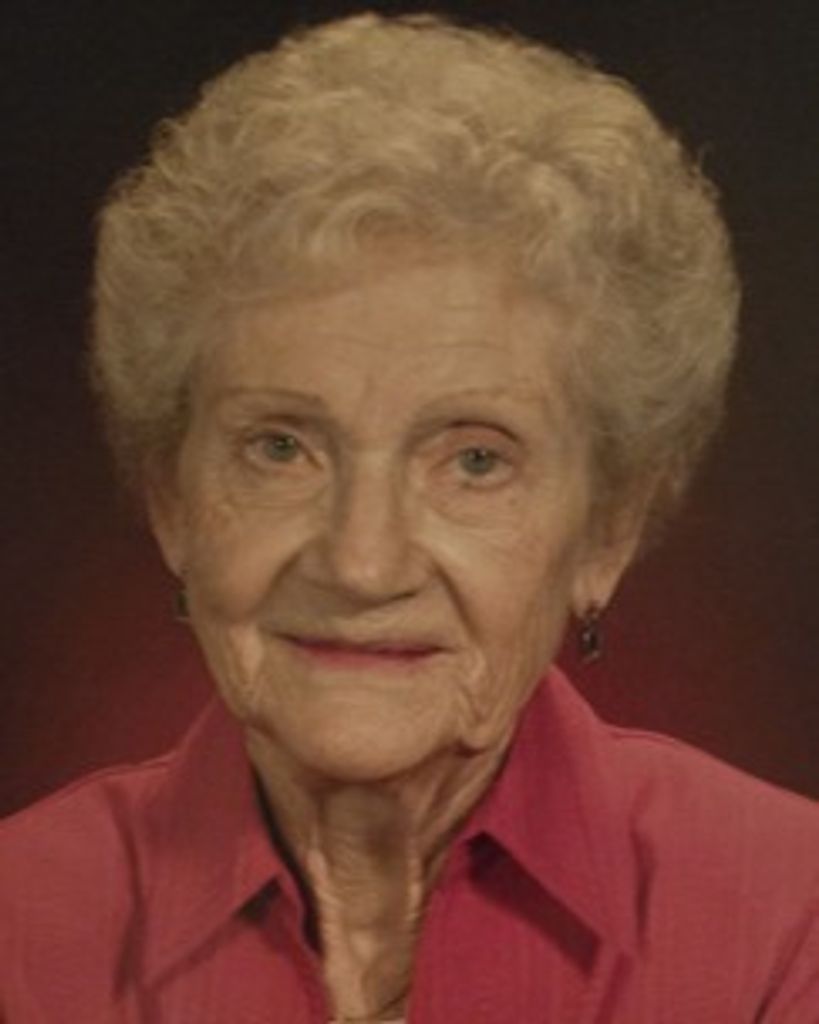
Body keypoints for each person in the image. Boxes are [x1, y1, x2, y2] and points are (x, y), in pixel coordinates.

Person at [1, 12, 817, 1022]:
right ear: (173, 504)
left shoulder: (786, 922)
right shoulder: (22, 927)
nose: (363, 562)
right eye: (281, 447)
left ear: (604, 532)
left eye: (474, 460)